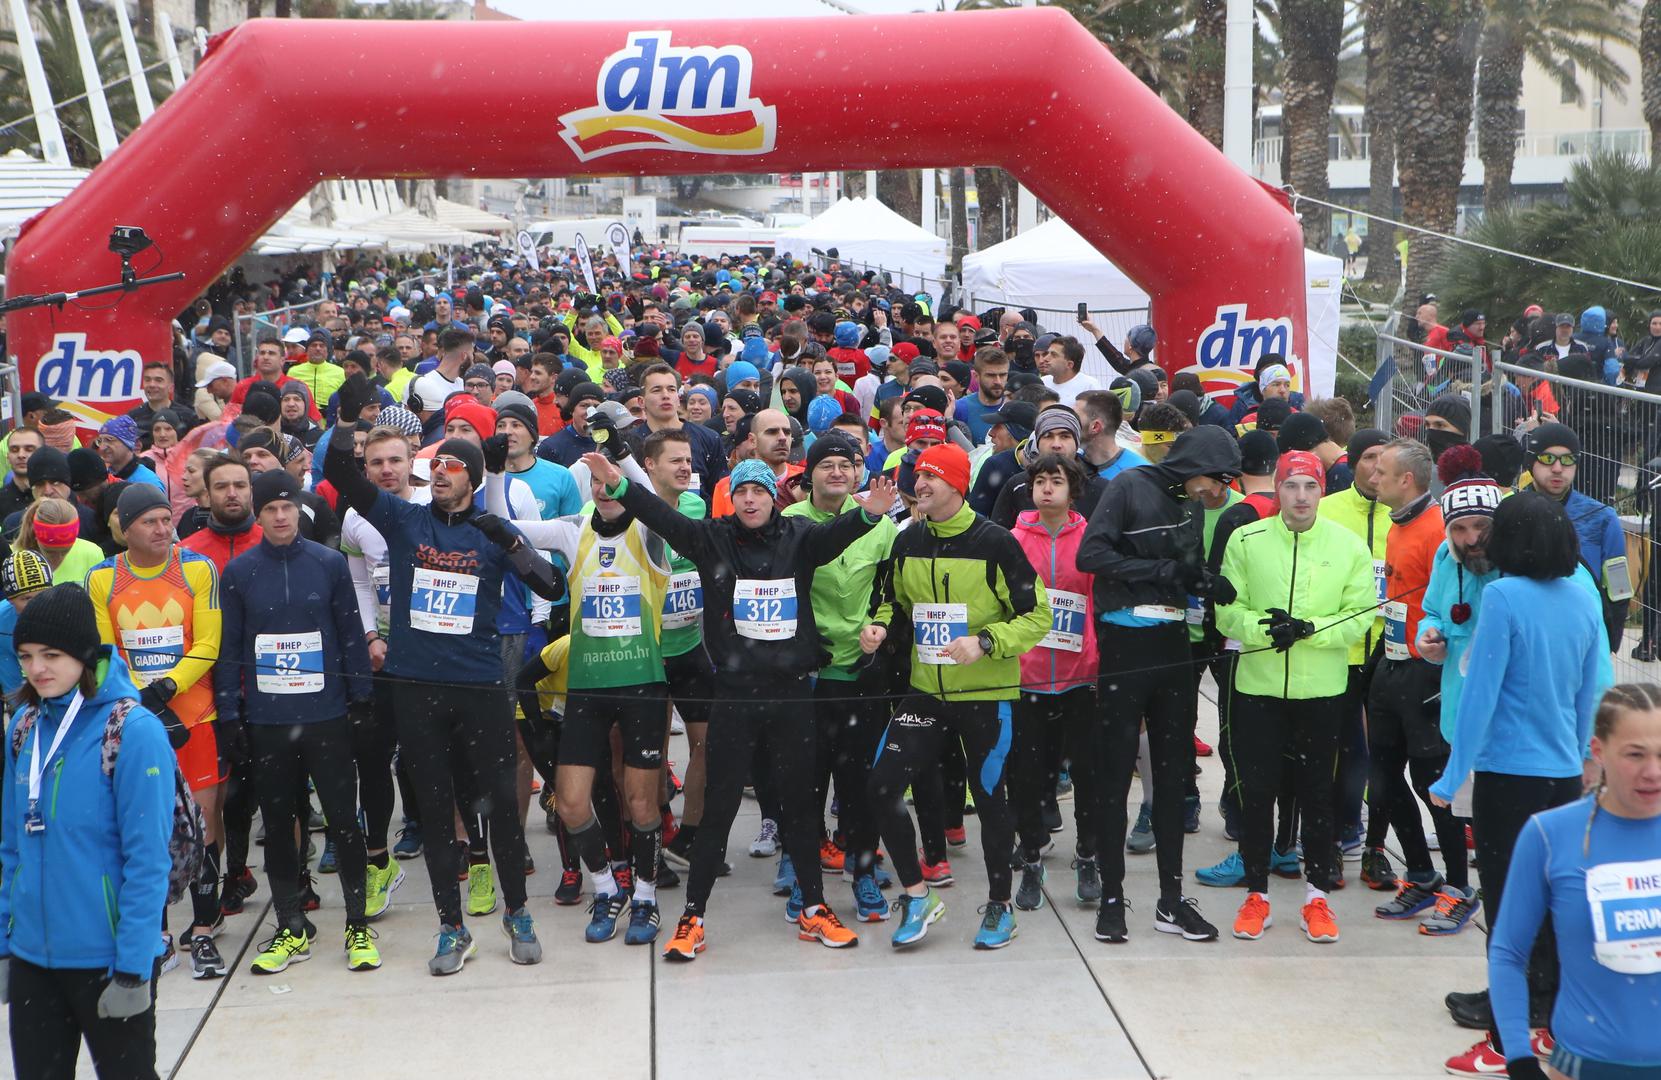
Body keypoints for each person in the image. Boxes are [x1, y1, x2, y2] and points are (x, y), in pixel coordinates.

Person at [592, 451, 897, 960]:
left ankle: (813, 909)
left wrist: (871, 513)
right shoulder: (710, 538)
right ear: (731, 500)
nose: (750, 499)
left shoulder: (798, 540)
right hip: (734, 696)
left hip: (792, 694)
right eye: (741, 493)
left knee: (801, 806)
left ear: (772, 498)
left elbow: (838, 534)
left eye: (758, 491)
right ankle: (694, 916)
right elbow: (662, 516)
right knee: (720, 808)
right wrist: (621, 488)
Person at [326, 374, 565, 975]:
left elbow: (551, 584)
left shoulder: (491, 533)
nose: (439, 472)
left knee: (502, 811)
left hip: (481, 685)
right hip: (416, 687)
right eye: (434, 465)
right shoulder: (404, 521)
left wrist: (508, 541)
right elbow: (340, 471)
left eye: (453, 466)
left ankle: (517, 913)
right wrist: (352, 416)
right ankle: (451, 927)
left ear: (472, 477)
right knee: (434, 809)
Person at [1429, 492, 1612, 1077]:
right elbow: (1590, 692)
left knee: (1509, 910)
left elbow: (1480, 697)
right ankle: (1550, 1015)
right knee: (1557, 903)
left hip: (1508, 777)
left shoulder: (1505, 598)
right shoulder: (1582, 599)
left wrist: (1453, 774)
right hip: (1562, 778)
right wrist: (1587, 760)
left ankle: (1509, 1035)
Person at [863, 442, 1050, 950]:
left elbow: (1037, 617)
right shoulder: (908, 539)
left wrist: (986, 641)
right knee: (881, 787)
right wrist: (879, 630)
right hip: (927, 693)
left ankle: (999, 906)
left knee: (990, 800)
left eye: (932, 477)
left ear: (957, 485)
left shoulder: (997, 542)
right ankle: (918, 895)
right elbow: (893, 603)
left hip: (986, 692)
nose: (919, 485)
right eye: (917, 476)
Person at [0, 584, 175, 1080]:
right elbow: (12, 847)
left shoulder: (133, 731)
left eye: (51, 655)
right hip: (34, 956)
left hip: (108, 958)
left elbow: (148, 862)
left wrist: (134, 966)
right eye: (27, 656)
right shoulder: (24, 728)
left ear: (84, 654)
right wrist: (5, 941)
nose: (37, 669)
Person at [1077, 426, 1242, 945]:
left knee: (1172, 778)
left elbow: (1182, 571)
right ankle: (1111, 897)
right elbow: (1092, 556)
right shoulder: (1130, 485)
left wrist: (1201, 581)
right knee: (1112, 775)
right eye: (1219, 480)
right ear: (1198, 466)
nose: (1221, 492)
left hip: (1176, 643)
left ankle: (1171, 901)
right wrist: (1163, 569)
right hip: (1125, 646)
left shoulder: (1192, 504)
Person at [213, 470, 378, 976]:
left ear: (299, 511)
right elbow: (231, 649)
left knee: (344, 823)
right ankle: (290, 925)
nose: (280, 516)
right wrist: (229, 714)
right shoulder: (239, 573)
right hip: (268, 720)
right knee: (281, 826)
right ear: (258, 516)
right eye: (270, 509)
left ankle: (357, 923)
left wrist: (361, 701)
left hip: (326, 715)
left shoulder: (327, 563)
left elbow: (351, 633)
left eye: (288, 508)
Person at [1215, 450, 1376, 944]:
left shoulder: (1347, 545)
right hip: (1258, 688)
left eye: (1310, 486)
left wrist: (1309, 629)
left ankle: (1317, 897)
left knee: (1317, 793)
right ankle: (1257, 892)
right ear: (1277, 489)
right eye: (1291, 486)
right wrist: (1264, 629)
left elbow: (1362, 613)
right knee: (1257, 791)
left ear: (1321, 490)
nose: (1301, 496)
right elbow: (1226, 611)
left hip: (1321, 690)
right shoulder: (1247, 538)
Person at [1483, 684, 1661, 1080]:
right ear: (1598, 751)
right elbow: (1509, 952)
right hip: (1585, 1065)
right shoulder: (1550, 834)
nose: (1653, 771)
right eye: (1635, 754)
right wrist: (1519, 1058)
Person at [86, 485, 228, 980]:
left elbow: (209, 642)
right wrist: (135, 696)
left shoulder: (196, 568)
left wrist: (169, 684)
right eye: (151, 522)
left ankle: (205, 928)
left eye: (168, 520)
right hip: (137, 722)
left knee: (205, 819)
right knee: (148, 824)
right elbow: (105, 651)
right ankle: (159, 933)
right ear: (126, 529)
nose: (164, 530)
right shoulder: (103, 577)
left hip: (193, 714)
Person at [781, 432, 899, 923]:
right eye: (826, 464)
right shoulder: (787, 523)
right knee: (807, 781)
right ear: (809, 474)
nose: (837, 472)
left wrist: (882, 626)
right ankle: (802, 871)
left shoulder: (882, 525)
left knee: (861, 781)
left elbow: (894, 592)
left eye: (846, 464)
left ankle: (864, 871)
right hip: (806, 673)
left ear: (857, 473)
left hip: (860, 670)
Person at [1366, 438, 1476, 930]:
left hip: (1427, 672)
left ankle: (1458, 885)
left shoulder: (1438, 529)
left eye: (1382, 472)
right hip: (1390, 663)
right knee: (1383, 778)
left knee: (1432, 782)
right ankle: (1422, 874)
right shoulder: (1398, 524)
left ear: (1406, 480)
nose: (1373, 478)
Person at [1010, 453, 1101, 910]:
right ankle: (1030, 859)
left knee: (1086, 773)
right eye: (1040, 481)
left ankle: (1088, 854)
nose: (1047, 488)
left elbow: (1097, 601)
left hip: (1079, 677)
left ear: (1073, 490)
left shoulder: (1090, 538)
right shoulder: (1012, 539)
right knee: (1026, 778)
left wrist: (1095, 658)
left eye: (1057, 481)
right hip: (1026, 677)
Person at [1319, 428, 1394, 887]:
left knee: (1383, 753)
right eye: (1369, 458)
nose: (1378, 468)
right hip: (1340, 650)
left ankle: (1374, 846)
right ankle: (1341, 827)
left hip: (1390, 651)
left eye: (1386, 460)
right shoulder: (1328, 510)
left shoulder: (1404, 515)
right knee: (1343, 747)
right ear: (1351, 462)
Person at [1526, 423, 1629, 653]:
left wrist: (1610, 642)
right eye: (1547, 458)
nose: (1557, 468)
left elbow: (1619, 587)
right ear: (1531, 462)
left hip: (1584, 641)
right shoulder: (1510, 512)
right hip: (1527, 637)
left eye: (1567, 460)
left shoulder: (1603, 518)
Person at [0, 550, 52, 697]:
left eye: (43, 595)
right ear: (10, 600)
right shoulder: (2, 623)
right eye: (27, 598)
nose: (37, 604)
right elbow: (13, 689)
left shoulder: (69, 609)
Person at [95, 417, 164, 493]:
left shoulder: (148, 483)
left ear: (128, 443)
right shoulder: (103, 478)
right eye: (100, 441)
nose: (102, 447)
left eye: (109, 440)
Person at [1040, 336, 1099, 410]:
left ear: (1069, 364)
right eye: (1047, 353)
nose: (1045, 359)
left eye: (1053, 355)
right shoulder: (1042, 382)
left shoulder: (1090, 386)